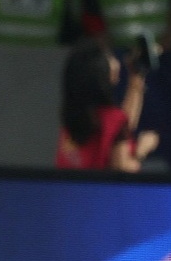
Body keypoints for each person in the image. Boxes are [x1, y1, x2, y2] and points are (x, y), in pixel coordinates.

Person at [57, 38, 159, 170]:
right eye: (110, 58)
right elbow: (123, 171)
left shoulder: (74, 116)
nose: (117, 62)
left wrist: (136, 77)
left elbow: (120, 130)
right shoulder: (112, 119)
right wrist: (142, 150)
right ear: (100, 72)